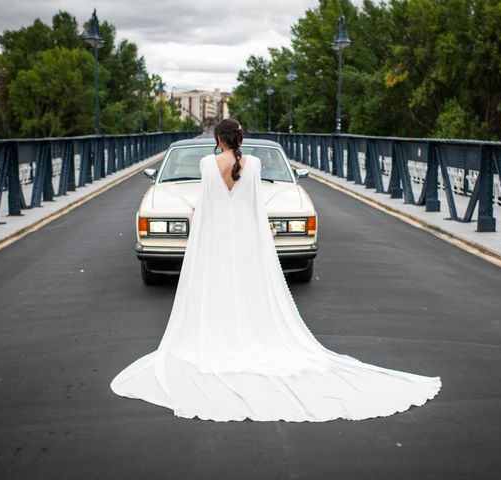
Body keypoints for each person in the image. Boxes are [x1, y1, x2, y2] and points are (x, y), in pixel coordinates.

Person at [110, 118, 441, 422]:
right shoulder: (253, 164)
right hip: (244, 236)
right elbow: (256, 208)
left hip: (217, 237)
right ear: (240, 139)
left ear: (218, 139)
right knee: (247, 286)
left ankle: (221, 332)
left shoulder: (206, 164)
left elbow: (206, 208)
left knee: (219, 285)